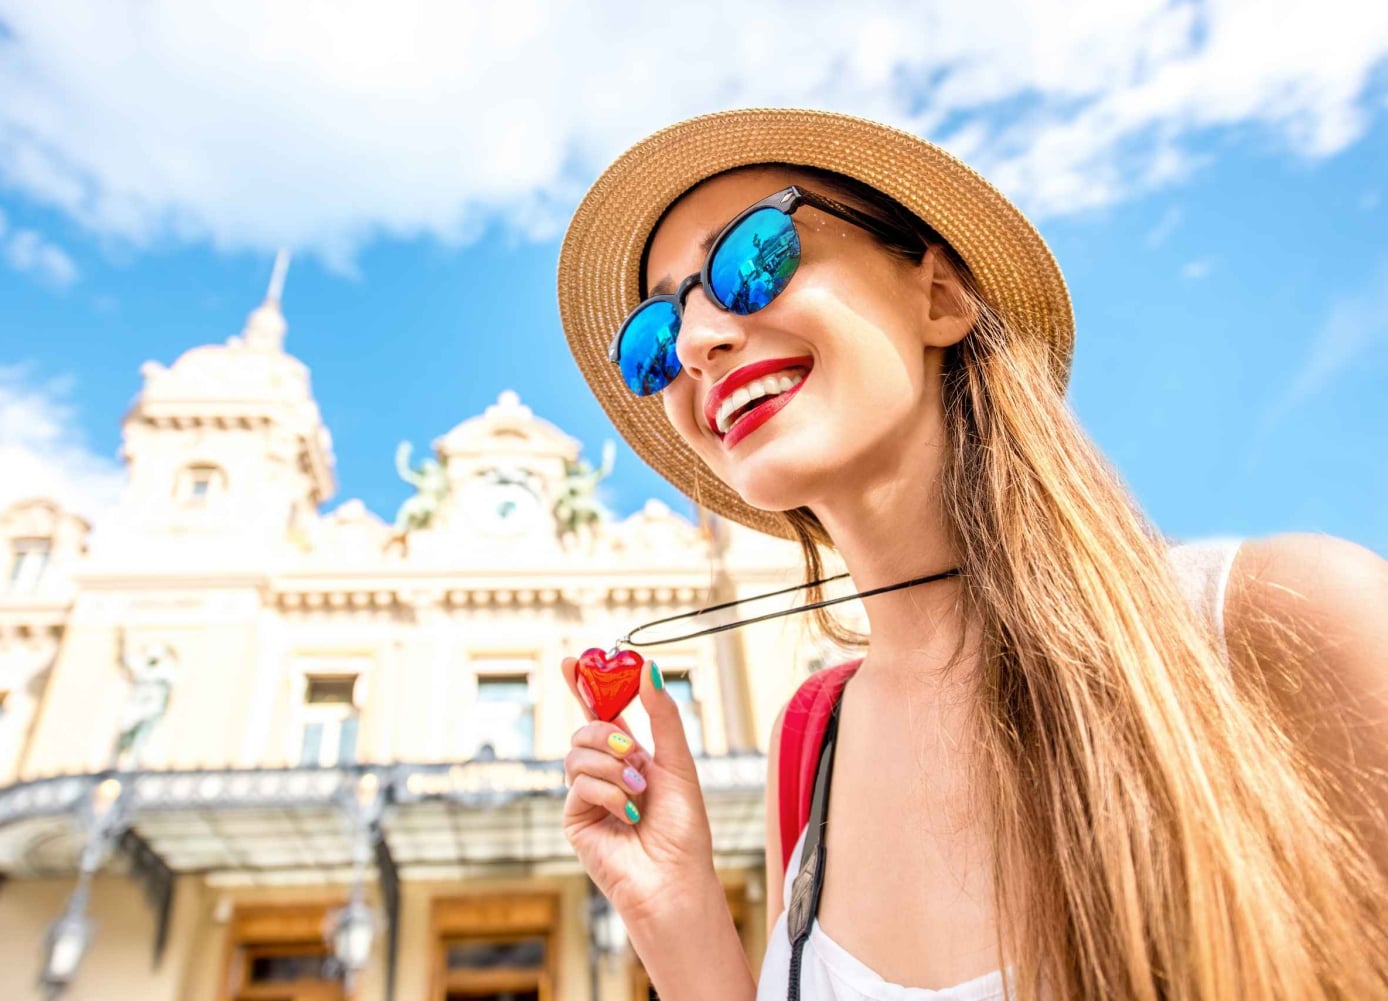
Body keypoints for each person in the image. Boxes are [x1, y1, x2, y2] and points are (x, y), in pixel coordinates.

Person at [554, 109, 1388, 1000]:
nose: (693, 344)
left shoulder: (1278, 618)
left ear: (941, 295)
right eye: (655, 336)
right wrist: (674, 913)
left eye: (754, 259)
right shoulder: (809, 748)